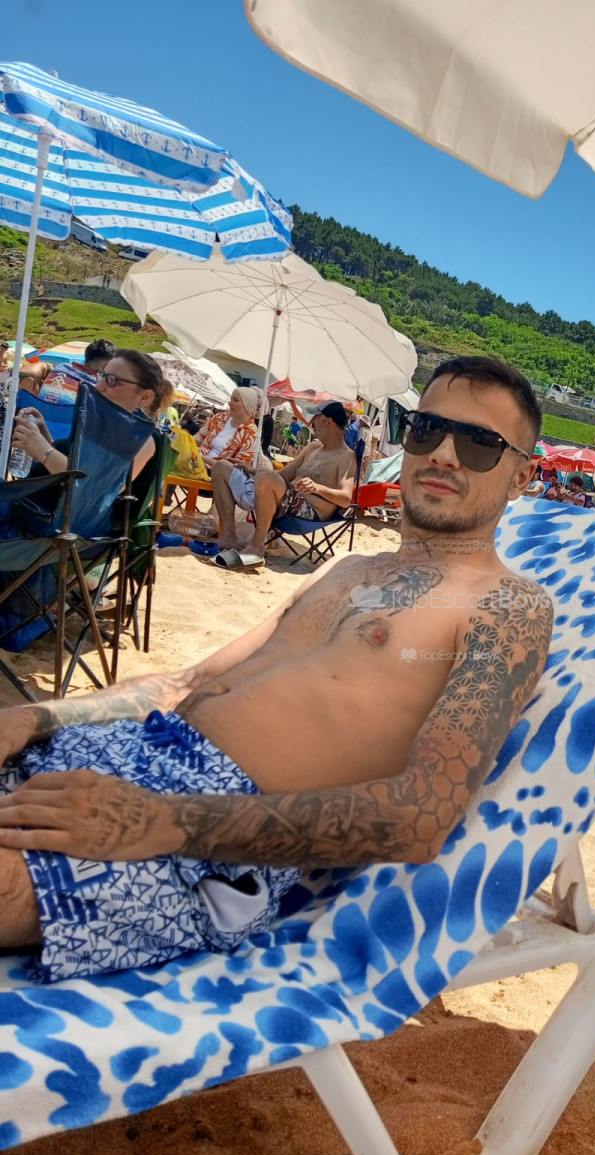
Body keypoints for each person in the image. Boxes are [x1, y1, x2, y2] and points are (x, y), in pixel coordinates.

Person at [0, 354, 551, 983]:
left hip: (205, 835)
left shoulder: (507, 607)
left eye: (480, 443)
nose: (444, 455)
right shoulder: (345, 570)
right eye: (428, 430)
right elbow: (186, 682)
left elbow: (421, 815)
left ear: (521, 477)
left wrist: (161, 823)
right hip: (123, 750)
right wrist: (36, 718)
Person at [211, 400, 357, 566]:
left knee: (265, 477)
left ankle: (257, 546)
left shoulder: (347, 456)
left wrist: (317, 488)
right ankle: (228, 538)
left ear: (328, 422)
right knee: (221, 468)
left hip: (308, 512)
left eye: (315, 417)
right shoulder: (313, 447)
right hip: (281, 499)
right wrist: (250, 470)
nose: (311, 422)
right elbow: (283, 475)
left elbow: (346, 499)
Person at [11, 350, 166, 482]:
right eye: (102, 376)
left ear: (145, 397)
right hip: (35, 497)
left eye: (112, 380)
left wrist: (42, 449)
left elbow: (93, 486)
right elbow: (73, 465)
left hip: (42, 506)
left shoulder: (143, 439)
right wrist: (43, 434)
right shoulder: (108, 426)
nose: (98, 386)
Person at [194, 387, 265, 471]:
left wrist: (204, 460)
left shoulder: (251, 434)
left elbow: (238, 469)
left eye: (235, 400)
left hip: (216, 473)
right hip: (195, 461)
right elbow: (197, 439)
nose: (230, 403)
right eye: (231, 399)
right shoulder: (219, 417)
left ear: (248, 406)